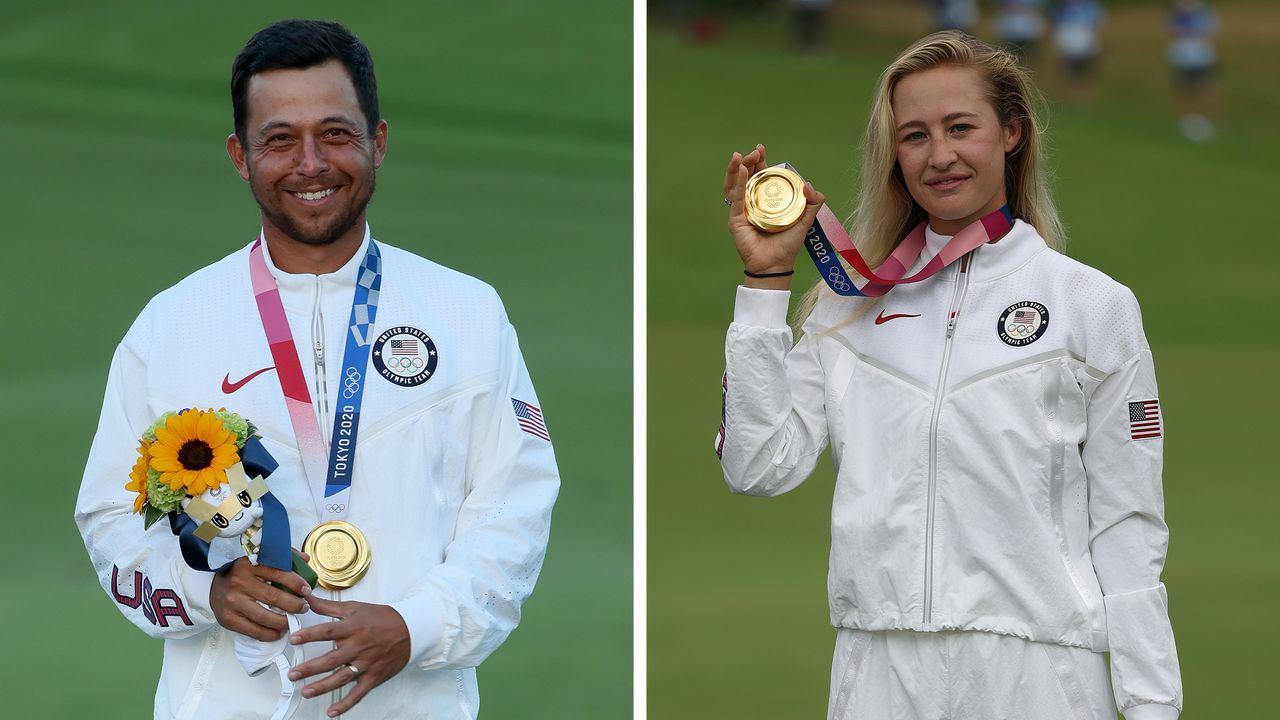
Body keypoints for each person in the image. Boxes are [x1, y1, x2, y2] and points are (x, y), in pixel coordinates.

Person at [75, 19, 559, 720]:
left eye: (335, 134)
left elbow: (516, 503)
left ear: (378, 142)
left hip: (413, 705)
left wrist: (416, 625)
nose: (310, 163)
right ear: (241, 156)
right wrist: (205, 590)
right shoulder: (173, 324)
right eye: (280, 139)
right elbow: (109, 515)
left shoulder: (466, 313)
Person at [717, 31, 1182, 719]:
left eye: (960, 128)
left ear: (1013, 132)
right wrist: (765, 281)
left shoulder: (1090, 304)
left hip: (1040, 672)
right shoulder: (849, 308)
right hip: (878, 669)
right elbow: (757, 466)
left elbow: (1127, 521)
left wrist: (1152, 704)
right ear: (894, 156)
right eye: (914, 136)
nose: (939, 156)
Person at [1166, 0, 1222, 141]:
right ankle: (1184, 121)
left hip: (1202, 55)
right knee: (1181, 89)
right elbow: (1170, 30)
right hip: (1181, 55)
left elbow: (1212, 30)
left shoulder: (1204, 10)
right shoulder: (1174, 11)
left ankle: (1215, 120)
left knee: (1207, 88)